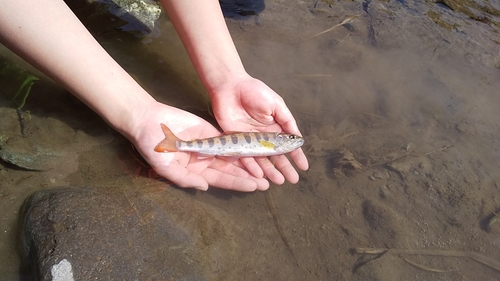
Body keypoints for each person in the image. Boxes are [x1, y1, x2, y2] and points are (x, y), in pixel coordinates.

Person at [0, 0, 308, 192]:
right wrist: (137, 113)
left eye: (290, 141)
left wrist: (228, 76)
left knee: (247, 3)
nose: (291, 140)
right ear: (278, 142)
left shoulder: (268, 143)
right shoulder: (271, 144)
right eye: (290, 140)